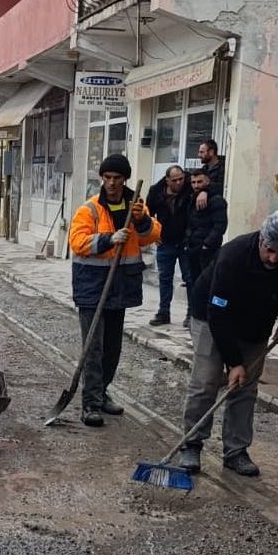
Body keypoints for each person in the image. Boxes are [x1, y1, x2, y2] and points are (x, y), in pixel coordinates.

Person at [178, 211, 278, 477]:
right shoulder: (234, 255)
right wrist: (234, 362)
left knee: (244, 387)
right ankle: (191, 443)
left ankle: (236, 451)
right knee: (206, 380)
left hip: (257, 322)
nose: (274, 259)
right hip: (211, 317)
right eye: (270, 250)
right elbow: (218, 314)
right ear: (262, 239)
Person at [68, 154, 162, 427]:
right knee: (93, 348)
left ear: (125, 179)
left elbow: (153, 234)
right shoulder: (90, 210)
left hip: (120, 286)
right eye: (107, 177)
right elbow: (77, 242)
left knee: (112, 348)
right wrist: (110, 238)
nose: (111, 183)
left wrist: (141, 221)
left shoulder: (135, 207)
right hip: (92, 286)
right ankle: (90, 403)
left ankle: (102, 391)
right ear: (102, 178)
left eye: (117, 178)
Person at [145, 165, 191, 326]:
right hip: (165, 242)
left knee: (189, 278)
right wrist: (153, 234)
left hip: (186, 242)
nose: (179, 182)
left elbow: (209, 185)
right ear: (167, 181)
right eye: (175, 180)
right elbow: (147, 214)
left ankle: (191, 314)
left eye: (181, 179)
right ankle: (164, 312)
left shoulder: (190, 187)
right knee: (165, 278)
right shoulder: (156, 192)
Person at [182, 168, 229, 325]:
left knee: (208, 284)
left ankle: (207, 316)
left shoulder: (215, 200)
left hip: (207, 251)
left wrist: (207, 245)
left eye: (200, 182)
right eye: (193, 182)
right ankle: (193, 314)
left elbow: (220, 225)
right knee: (192, 283)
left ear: (208, 181)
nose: (196, 185)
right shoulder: (192, 198)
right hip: (192, 248)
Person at [193, 139, 225, 211]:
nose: (199, 155)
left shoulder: (225, 168)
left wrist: (206, 191)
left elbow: (222, 186)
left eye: (202, 152)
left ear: (211, 152)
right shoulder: (204, 170)